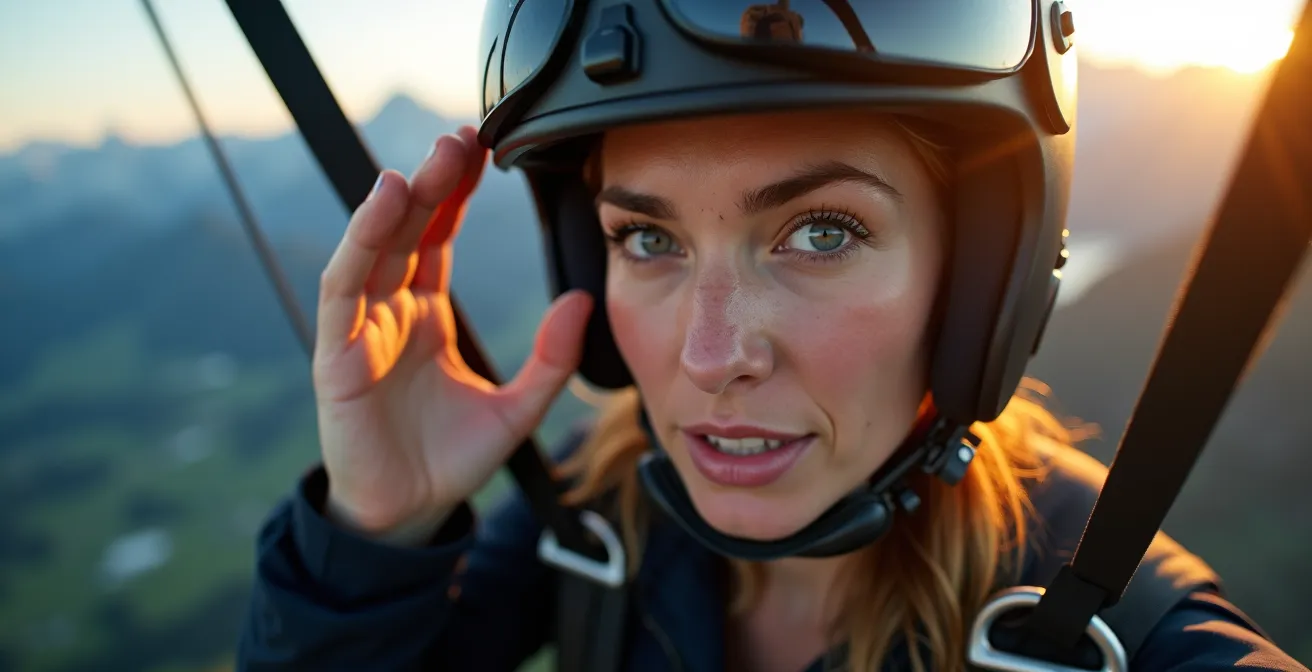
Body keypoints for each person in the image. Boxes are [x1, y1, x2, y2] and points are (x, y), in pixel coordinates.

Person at [237, 2, 1308, 671]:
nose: (710, 359)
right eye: (645, 238)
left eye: (820, 231)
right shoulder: (597, 512)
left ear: (982, 278)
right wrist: (374, 532)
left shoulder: (1124, 633)